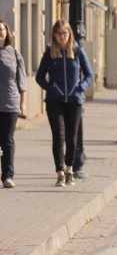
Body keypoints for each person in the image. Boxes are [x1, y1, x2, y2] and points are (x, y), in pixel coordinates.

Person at [35, 21, 93, 187]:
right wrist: (51, 88)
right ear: (54, 35)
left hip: (74, 101)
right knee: (59, 137)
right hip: (55, 101)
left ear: (69, 34)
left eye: (64, 33)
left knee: (72, 138)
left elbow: (89, 74)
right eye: (59, 33)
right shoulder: (50, 53)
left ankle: (69, 169)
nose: (62, 36)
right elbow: (39, 77)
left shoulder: (77, 51)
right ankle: (60, 172)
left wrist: (80, 88)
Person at [0, 19, 27, 188]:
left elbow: (22, 81)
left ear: (6, 32)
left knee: (7, 140)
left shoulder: (14, 54)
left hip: (10, 102)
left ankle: (8, 175)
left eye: (1, 29)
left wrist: (23, 104)